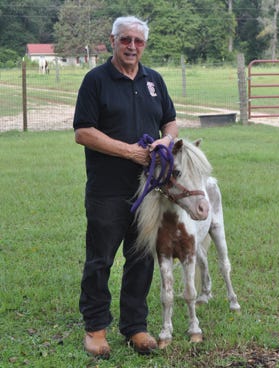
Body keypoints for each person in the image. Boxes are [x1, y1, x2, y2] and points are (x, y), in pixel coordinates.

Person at [73, 15, 178, 358]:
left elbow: (170, 121)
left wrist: (165, 141)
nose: (132, 46)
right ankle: (96, 328)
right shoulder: (96, 80)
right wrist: (129, 152)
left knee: (141, 259)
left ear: (144, 45)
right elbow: (83, 132)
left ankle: (135, 326)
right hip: (107, 189)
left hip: (147, 191)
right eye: (126, 40)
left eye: (138, 41)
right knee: (100, 260)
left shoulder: (154, 80)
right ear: (113, 41)